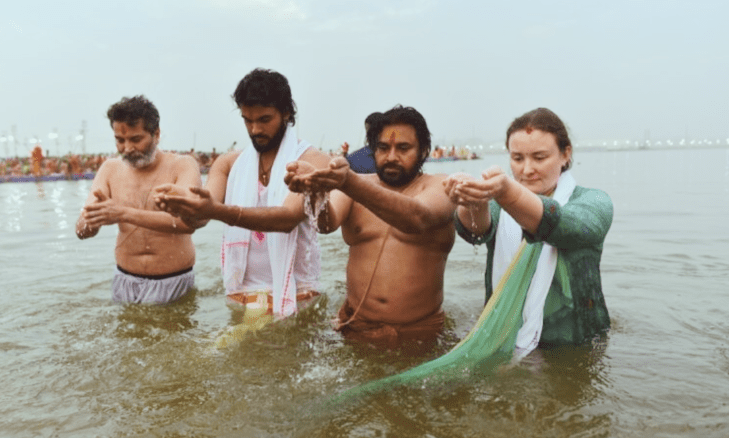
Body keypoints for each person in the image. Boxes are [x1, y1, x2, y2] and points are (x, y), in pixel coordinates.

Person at [154, 68, 331, 317]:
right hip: (241, 295)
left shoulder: (312, 161)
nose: (255, 129)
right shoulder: (228, 164)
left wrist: (216, 211)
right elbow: (203, 215)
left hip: (298, 295)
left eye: (264, 119)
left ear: (287, 113)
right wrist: (183, 206)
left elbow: (287, 218)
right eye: (247, 120)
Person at [444, 107, 612, 356]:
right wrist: (472, 200)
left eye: (539, 157)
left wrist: (508, 193)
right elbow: (476, 232)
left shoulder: (594, 201)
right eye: (517, 158)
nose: (526, 169)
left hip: (577, 344)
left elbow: (564, 225)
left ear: (565, 154)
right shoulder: (500, 205)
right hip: (503, 339)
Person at [285, 105, 456, 348]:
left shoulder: (442, 186)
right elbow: (325, 224)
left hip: (420, 333)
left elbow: (418, 217)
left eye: (403, 148)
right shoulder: (357, 184)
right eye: (383, 148)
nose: (391, 157)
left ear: (424, 151)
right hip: (355, 325)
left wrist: (349, 182)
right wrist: (313, 190)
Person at [75, 95, 202, 304]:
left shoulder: (182, 165)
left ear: (156, 134)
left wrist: (123, 213)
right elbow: (81, 231)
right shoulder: (109, 169)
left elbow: (187, 223)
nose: (127, 148)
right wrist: (92, 220)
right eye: (120, 140)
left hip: (173, 280)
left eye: (136, 139)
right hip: (124, 279)